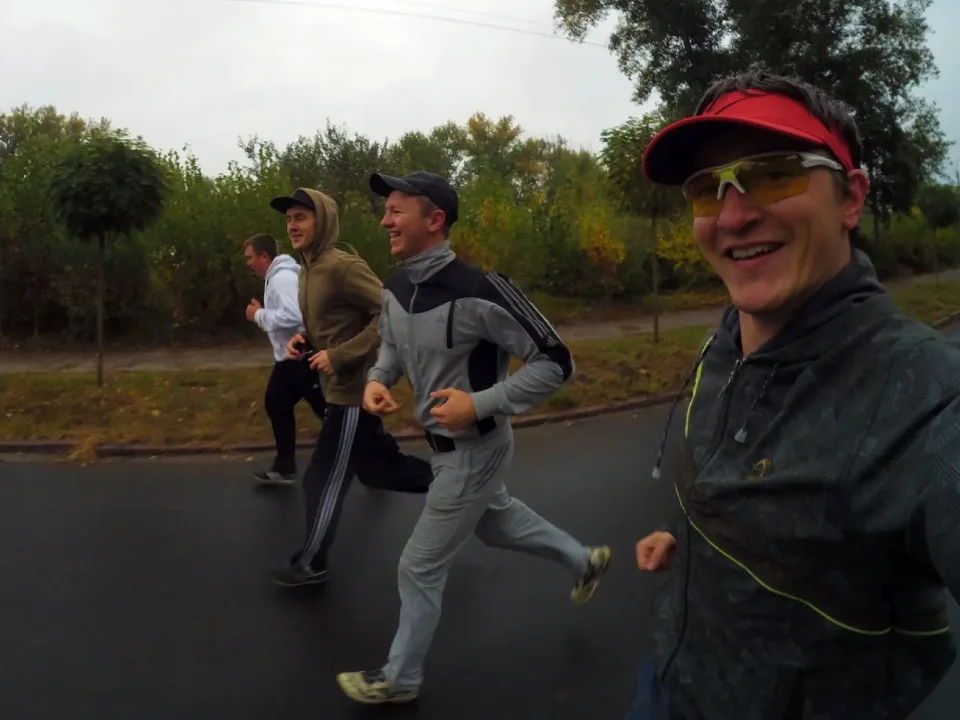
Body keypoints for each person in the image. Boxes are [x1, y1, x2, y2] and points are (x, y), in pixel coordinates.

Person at [627, 69, 960, 720]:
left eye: (774, 173)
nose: (731, 214)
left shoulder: (924, 398)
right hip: (665, 684)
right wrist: (691, 533)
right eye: (706, 189)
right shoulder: (725, 339)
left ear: (851, 199)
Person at [335, 170, 613, 704]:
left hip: (476, 450)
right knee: (498, 524)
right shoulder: (394, 289)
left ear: (434, 220)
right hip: (442, 452)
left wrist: (479, 404)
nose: (385, 219)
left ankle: (399, 680)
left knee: (419, 565)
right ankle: (584, 560)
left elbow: (556, 362)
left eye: (397, 210)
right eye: (386, 209)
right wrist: (375, 381)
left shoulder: (481, 291)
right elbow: (391, 348)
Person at [266, 187, 434, 588]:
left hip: (353, 390)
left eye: (301, 217)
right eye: (289, 218)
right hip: (336, 385)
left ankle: (311, 563)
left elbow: (391, 312)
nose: (292, 225)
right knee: (379, 471)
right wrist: (303, 339)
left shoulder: (342, 266)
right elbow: (329, 322)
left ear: (321, 220)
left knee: (322, 478)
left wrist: (341, 355)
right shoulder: (307, 268)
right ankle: (457, 482)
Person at [243, 233, 325, 486]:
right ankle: (285, 467)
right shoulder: (279, 278)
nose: (248, 263)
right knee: (278, 404)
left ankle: (372, 452)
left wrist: (258, 315)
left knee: (329, 410)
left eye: (250, 257)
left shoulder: (282, 279)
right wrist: (263, 313)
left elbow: (293, 316)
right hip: (291, 357)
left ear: (263, 256)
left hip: (299, 355)